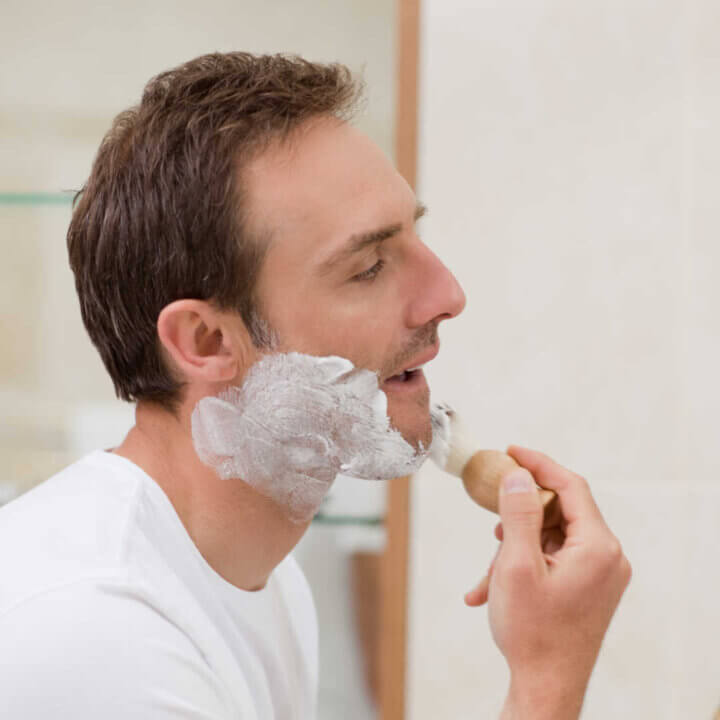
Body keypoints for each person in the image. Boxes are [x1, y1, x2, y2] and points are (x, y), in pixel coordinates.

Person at [0, 52, 630, 719]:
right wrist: (547, 677)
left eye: (415, 237)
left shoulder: (265, 580)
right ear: (206, 341)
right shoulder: (94, 635)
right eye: (367, 268)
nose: (448, 295)